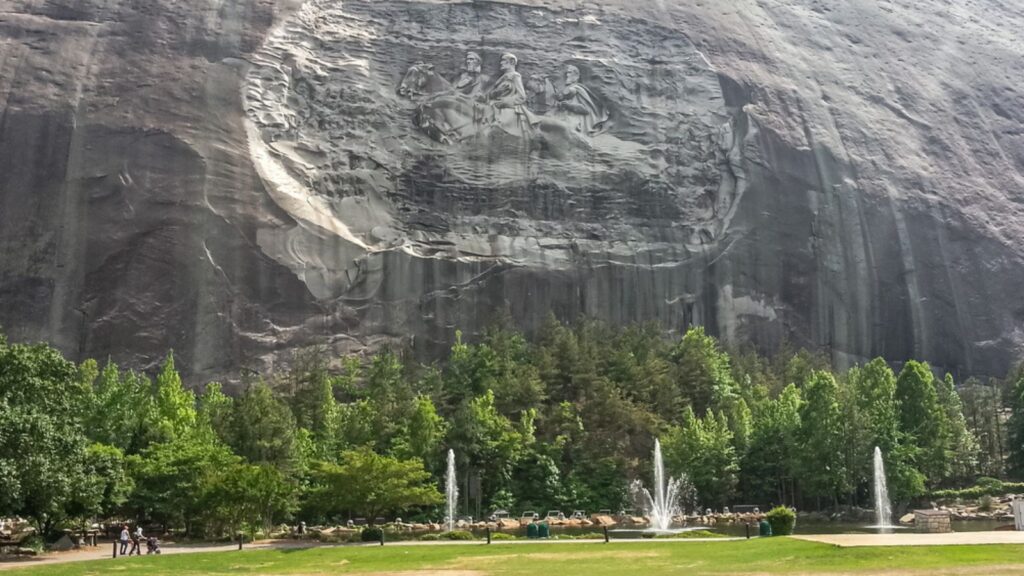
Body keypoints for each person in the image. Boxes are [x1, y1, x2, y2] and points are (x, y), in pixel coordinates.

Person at [555, 64, 608, 135]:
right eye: (567, 73)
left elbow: (586, 110)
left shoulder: (578, 89)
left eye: (570, 72)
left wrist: (570, 106)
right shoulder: (567, 90)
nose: (567, 75)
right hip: (562, 119)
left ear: (576, 75)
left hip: (575, 123)